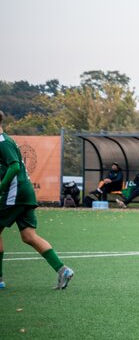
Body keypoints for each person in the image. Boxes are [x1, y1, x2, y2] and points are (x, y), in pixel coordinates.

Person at [0, 110, 74, 290]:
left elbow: (14, 167)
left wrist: (1, 187)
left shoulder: (2, 141)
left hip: (15, 193)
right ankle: (62, 270)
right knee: (29, 236)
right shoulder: (6, 140)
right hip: (24, 193)